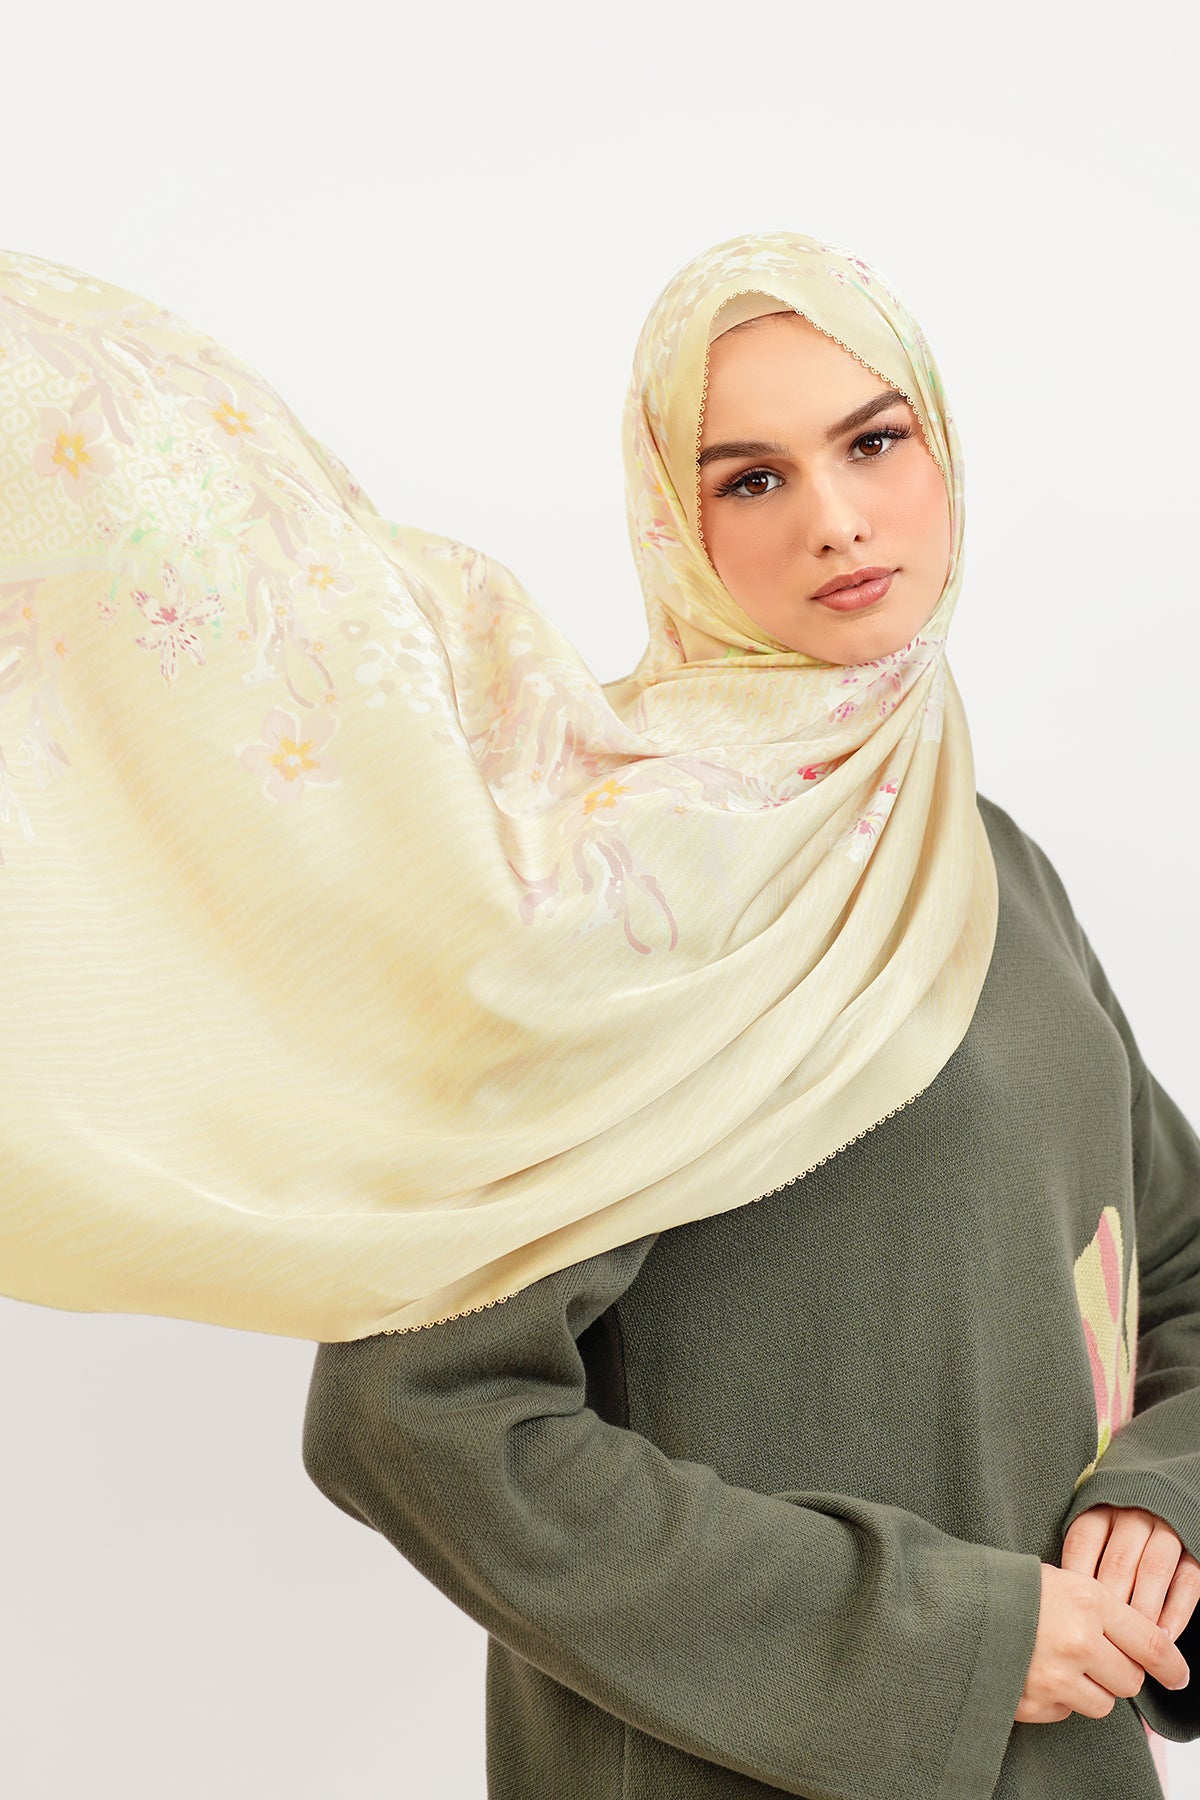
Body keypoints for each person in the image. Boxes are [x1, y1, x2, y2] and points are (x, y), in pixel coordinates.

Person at [1, 233, 1197, 1797]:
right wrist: (936, 1642)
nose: (836, 518)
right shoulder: (623, 892)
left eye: (873, 442)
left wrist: (1166, 1495)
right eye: (751, 479)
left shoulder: (979, 862)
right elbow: (414, 1415)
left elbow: (1176, 1260)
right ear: (675, 527)